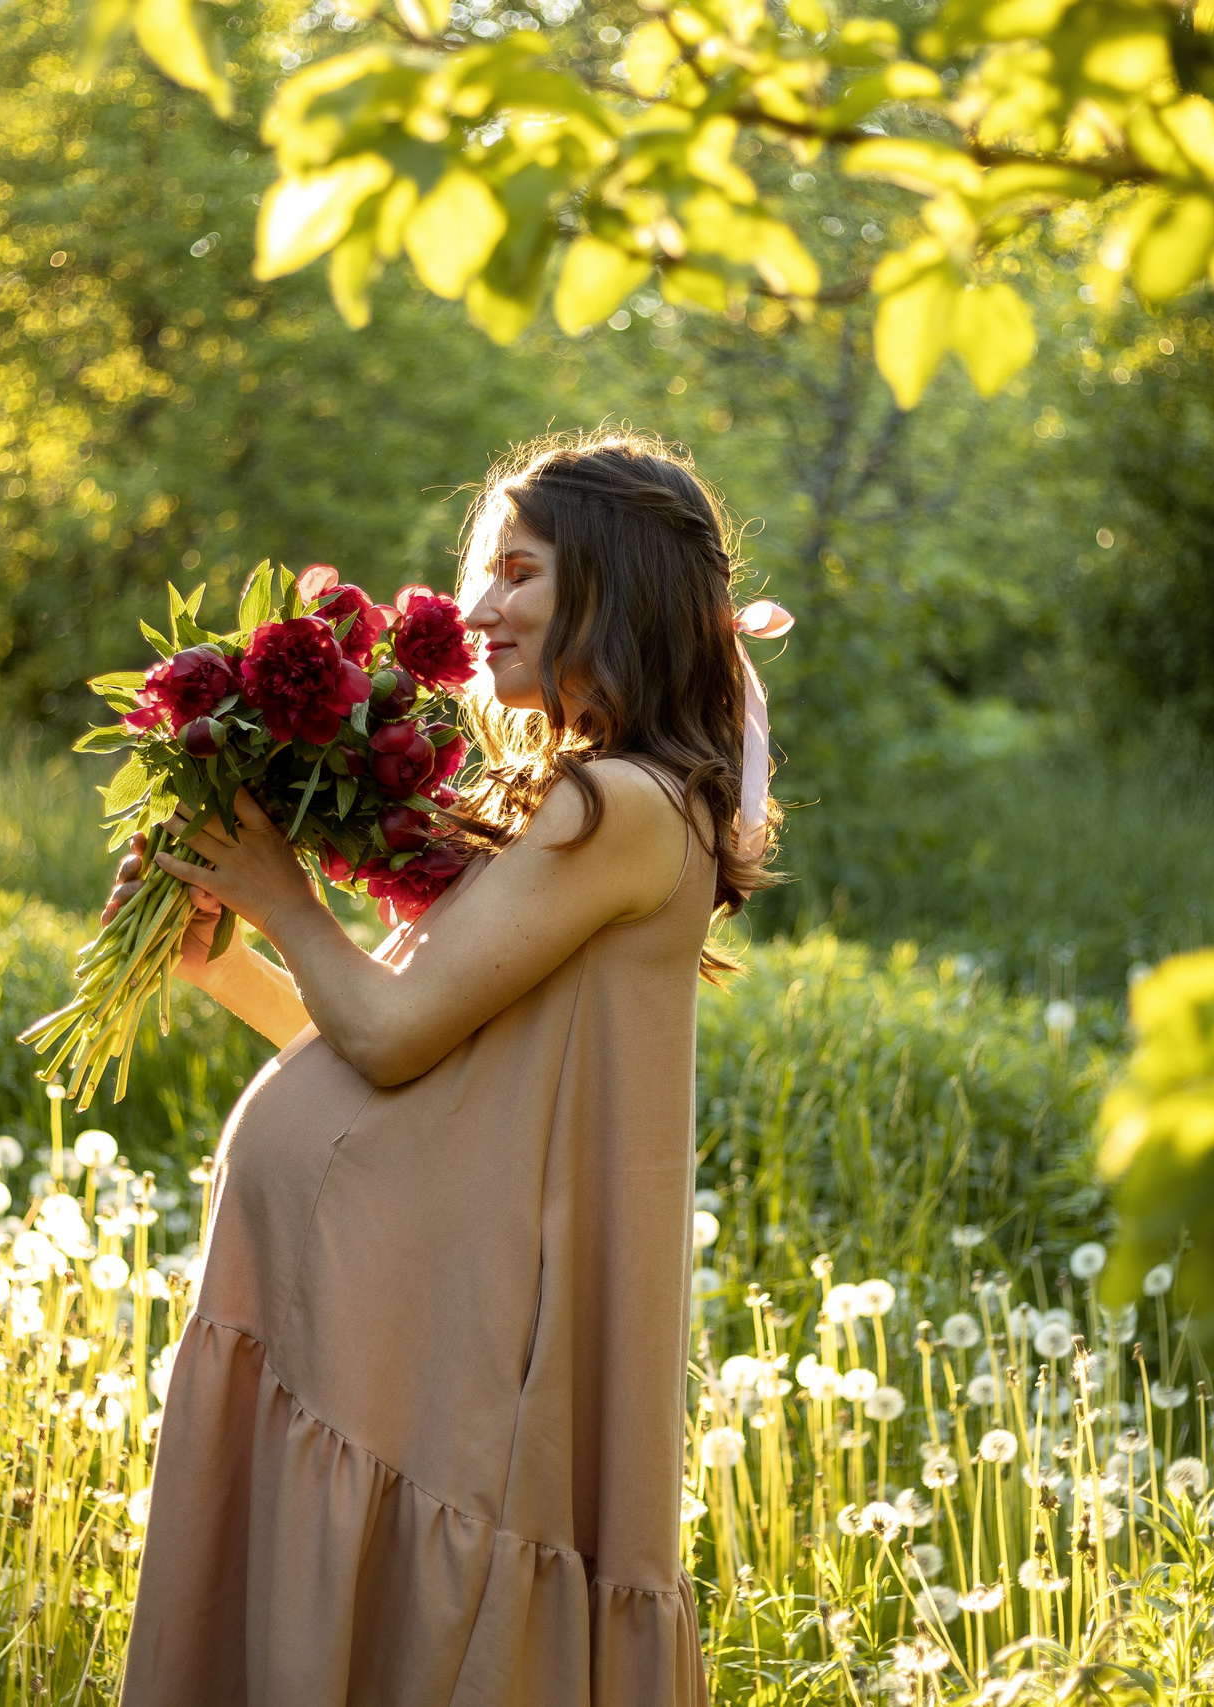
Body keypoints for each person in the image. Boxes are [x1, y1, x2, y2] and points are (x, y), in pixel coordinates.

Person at [111, 430, 786, 1705]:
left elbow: (389, 1037)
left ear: (618, 582)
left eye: (517, 574)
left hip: (431, 1353)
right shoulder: (580, 800)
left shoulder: (625, 808)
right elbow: (412, 1057)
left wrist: (285, 894)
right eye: (481, 573)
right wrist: (225, 957)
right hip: (375, 1334)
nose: (476, 609)